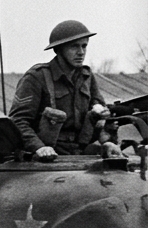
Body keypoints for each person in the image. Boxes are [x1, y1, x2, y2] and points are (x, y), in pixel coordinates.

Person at [8, 20, 108, 160]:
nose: (81, 52)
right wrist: (39, 147)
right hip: (46, 155)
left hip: (79, 151)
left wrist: (107, 142)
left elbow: (100, 113)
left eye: (84, 46)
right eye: (74, 47)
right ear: (58, 49)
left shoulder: (86, 76)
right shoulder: (37, 77)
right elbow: (18, 121)